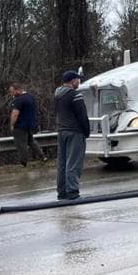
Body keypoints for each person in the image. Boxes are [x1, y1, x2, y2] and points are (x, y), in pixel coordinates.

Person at [54, 70, 90, 200]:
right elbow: (82, 115)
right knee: (73, 163)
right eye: (77, 79)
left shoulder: (58, 95)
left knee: (62, 163)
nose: (78, 82)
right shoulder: (75, 95)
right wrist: (86, 131)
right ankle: (73, 192)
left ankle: (62, 192)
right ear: (72, 81)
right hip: (75, 131)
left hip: (61, 131)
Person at [8, 82, 46, 166]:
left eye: (13, 91)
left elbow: (15, 114)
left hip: (20, 126)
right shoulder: (30, 97)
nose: (12, 94)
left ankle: (23, 162)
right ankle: (42, 156)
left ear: (18, 90)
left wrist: (12, 124)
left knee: (21, 144)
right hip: (30, 124)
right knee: (31, 141)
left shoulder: (18, 100)